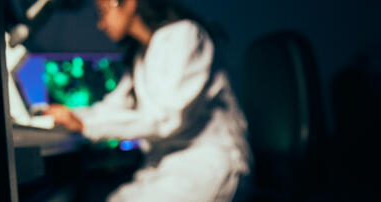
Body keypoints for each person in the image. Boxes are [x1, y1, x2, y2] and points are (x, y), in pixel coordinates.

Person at [44, 0, 252, 201]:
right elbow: (112, 107)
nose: (101, 24)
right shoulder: (142, 55)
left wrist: (84, 124)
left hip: (206, 164)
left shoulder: (183, 35)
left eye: (103, 11)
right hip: (166, 166)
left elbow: (167, 118)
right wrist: (69, 116)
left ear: (130, 3)